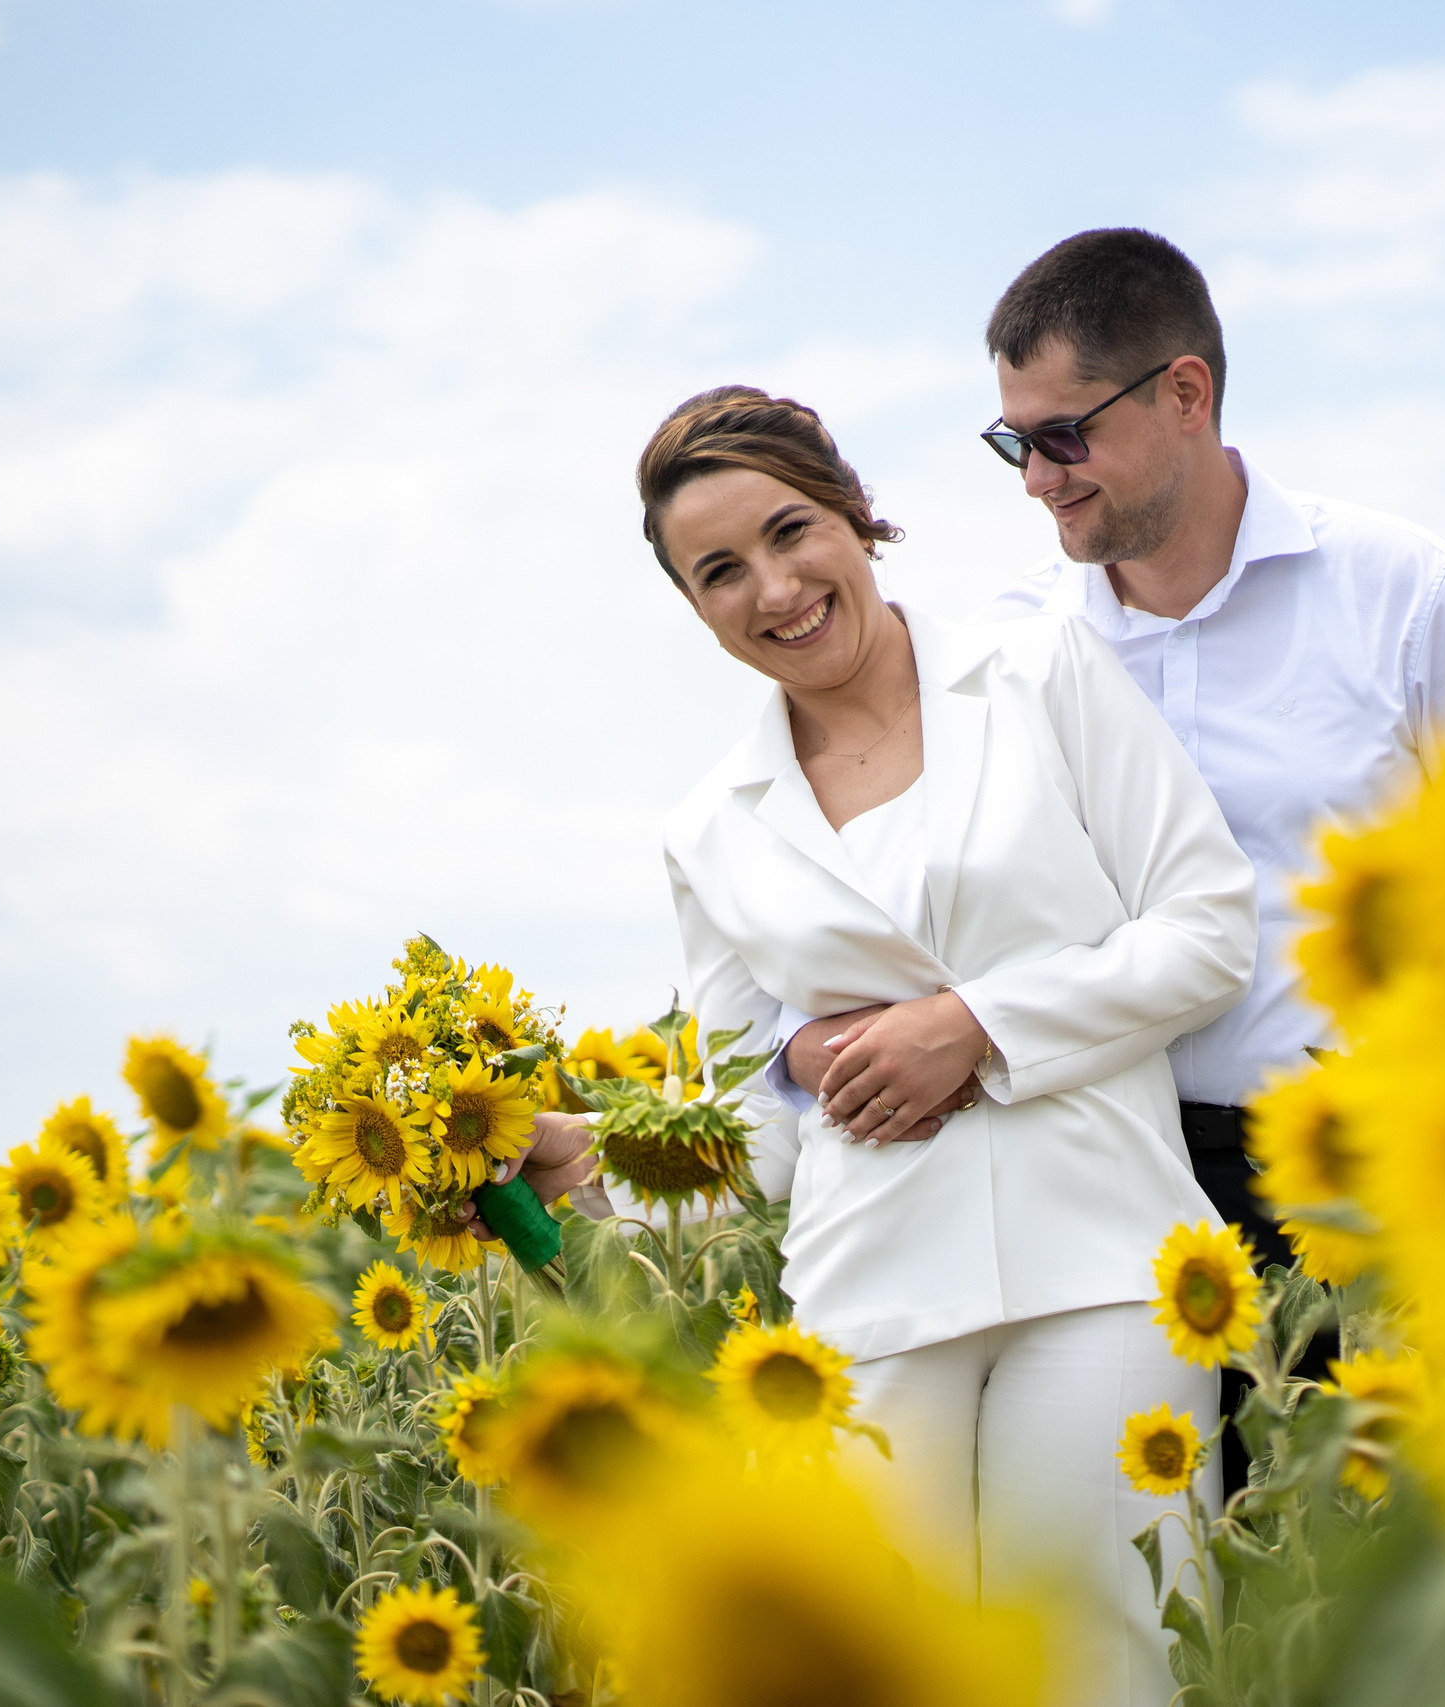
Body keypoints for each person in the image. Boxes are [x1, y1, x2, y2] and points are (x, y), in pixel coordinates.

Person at [497, 385, 1258, 1707]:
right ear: (693, 606)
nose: (775, 587)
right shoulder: (711, 828)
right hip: (868, 1309)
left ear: (854, 512)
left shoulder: (1042, 676)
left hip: (1104, 1265)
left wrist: (972, 1027)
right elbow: (759, 1137)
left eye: (792, 531)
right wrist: (586, 1152)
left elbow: (1204, 931)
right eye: (720, 571)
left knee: (1108, 1668)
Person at [973, 228, 1445, 1439]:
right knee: (1148, 1595)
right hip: (1099, 1191)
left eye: (1065, 437)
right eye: (1013, 443)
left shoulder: (1410, 596)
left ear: (1186, 394)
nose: (1036, 479)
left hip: (1366, 1199)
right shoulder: (1007, 643)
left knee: (1345, 1578)